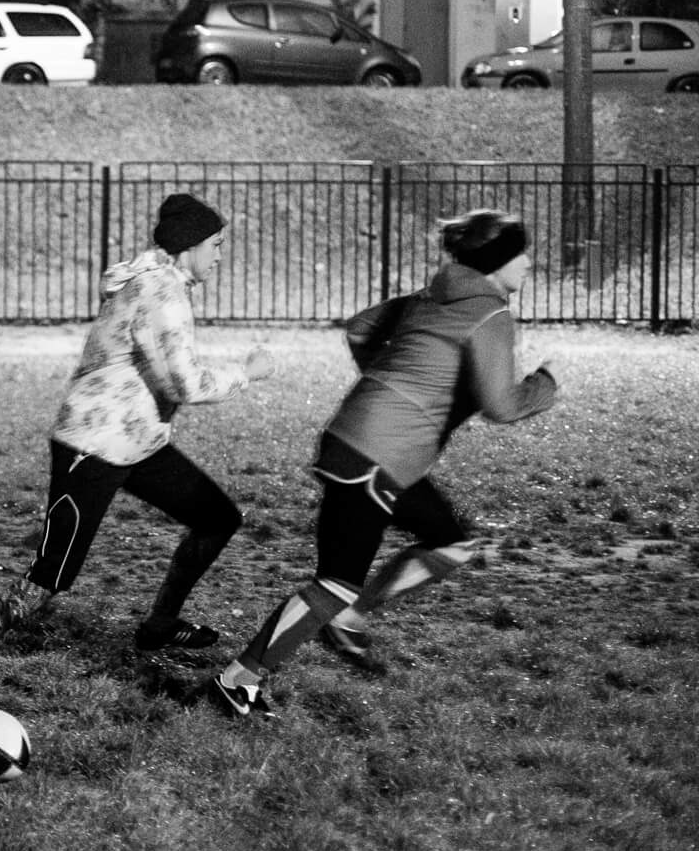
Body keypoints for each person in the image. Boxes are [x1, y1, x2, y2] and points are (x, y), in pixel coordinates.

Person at [212, 209, 558, 718]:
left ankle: (349, 617)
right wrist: (545, 383)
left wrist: (390, 382)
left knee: (453, 542)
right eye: (522, 254)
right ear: (499, 261)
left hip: (372, 446)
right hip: (378, 456)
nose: (529, 263)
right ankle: (239, 679)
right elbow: (502, 404)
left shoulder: (431, 296)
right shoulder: (489, 315)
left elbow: (360, 328)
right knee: (334, 581)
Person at [0, 192, 275, 696]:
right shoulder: (160, 291)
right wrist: (246, 373)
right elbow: (183, 385)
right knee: (53, 574)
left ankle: (160, 626)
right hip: (92, 446)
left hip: (135, 441)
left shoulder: (159, 281)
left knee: (217, 518)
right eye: (216, 244)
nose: (220, 256)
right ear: (188, 247)